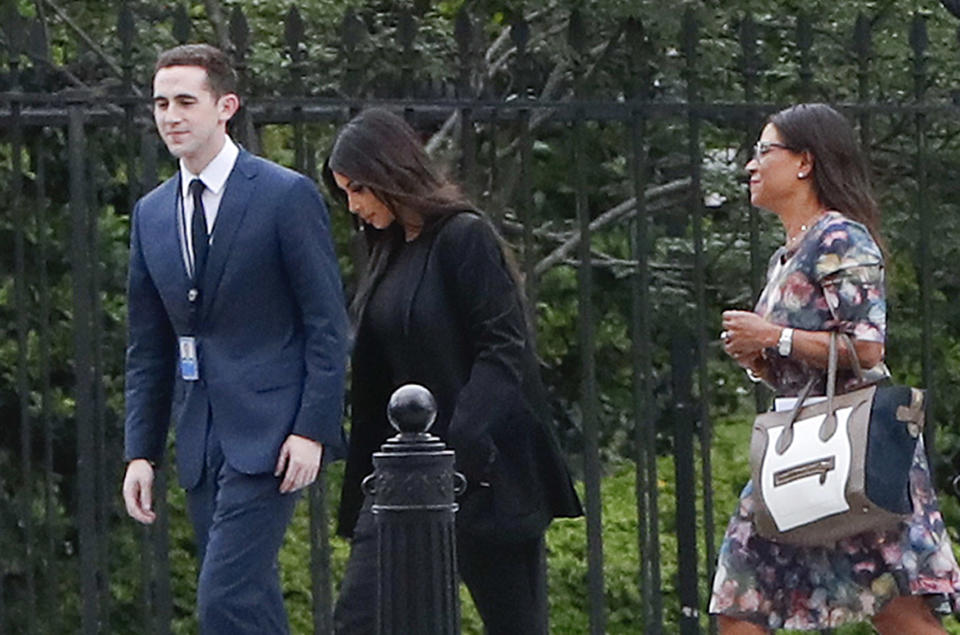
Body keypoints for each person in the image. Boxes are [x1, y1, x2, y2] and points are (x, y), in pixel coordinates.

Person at [323, 108, 583, 635]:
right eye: (345, 193)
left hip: (484, 472)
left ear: (389, 174)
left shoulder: (464, 237)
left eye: (358, 190)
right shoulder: (389, 251)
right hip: (402, 477)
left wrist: (458, 444)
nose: (354, 207)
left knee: (515, 624)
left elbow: (504, 348)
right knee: (360, 617)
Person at [121, 44, 349, 634]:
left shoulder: (283, 195)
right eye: (161, 103)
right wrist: (140, 451)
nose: (170, 116)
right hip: (199, 434)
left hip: (272, 431)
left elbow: (326, 324)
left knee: (224, 595)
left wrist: (311, 429)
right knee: (250, 598)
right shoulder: (151, 214)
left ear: (225, 106)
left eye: (185, 102)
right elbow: (149, 346)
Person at [710, 103, 960, 633]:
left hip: (852, 454)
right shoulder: (787, 255)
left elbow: (866, 349)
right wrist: (761, 357)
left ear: (804, 162)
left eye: (763, 152)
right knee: (738, 603)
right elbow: (804, 358)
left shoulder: (840, 239)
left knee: (899, 614)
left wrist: (773, 335)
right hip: (797, 452)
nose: (751, 167)